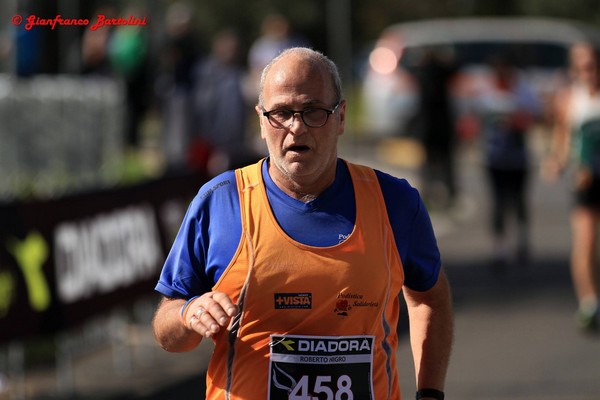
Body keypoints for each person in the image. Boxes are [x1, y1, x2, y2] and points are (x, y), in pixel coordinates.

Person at [152, 47, 453, 399]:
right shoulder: (221, 201)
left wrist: (430, 393)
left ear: (340, 117)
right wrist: (189, 313)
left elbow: (429, 297)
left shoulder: (395, 202)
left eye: (312, 111)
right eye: (280, 112)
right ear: (262, 121)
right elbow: (166, 329)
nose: (296, 127)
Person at [543, 42, 600, 332]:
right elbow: (563, 139)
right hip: (584, 182)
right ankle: (589, 303)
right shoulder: (570, 99)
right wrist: (556, 161)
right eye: (579, 68)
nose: (586, 73)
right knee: (586, 241)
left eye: (590, 66)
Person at [476, 54, 539, 268]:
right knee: (498, 202)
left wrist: (518, 120)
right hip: (493, 158)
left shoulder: (522, 94)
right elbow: (473, 123)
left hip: (518, 158)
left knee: (519, 200)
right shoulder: (485, 96)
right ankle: (499, 247)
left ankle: (522, 239)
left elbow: (534, 117)